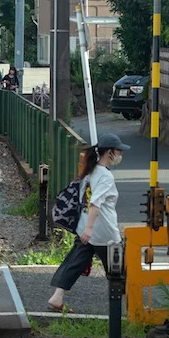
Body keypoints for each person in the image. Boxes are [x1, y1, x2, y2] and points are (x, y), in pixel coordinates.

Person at [47, 131, 130, 312]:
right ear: (110, 153)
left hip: (84, 226)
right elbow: (95, 203)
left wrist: (87, 228)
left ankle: (57, 297)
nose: (121, 154)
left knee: (75, 262)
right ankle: (129, 307)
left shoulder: (90, 171)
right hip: (103, 231)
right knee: (118, 269)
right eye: (119, 151)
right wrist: (91, 229)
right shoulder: (105, 176)